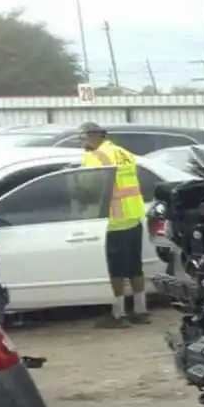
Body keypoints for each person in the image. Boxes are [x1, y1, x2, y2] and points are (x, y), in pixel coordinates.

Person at [80, 123, 150, 327]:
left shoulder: (93, 157)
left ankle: (118, 315)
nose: (82, 143)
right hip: (134, 216)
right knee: (135, 266)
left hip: (113, 220)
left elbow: (88, 188)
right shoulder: (123, 153)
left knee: (115, 270)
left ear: (92, 136)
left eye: (83, 138)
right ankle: (140, 310)